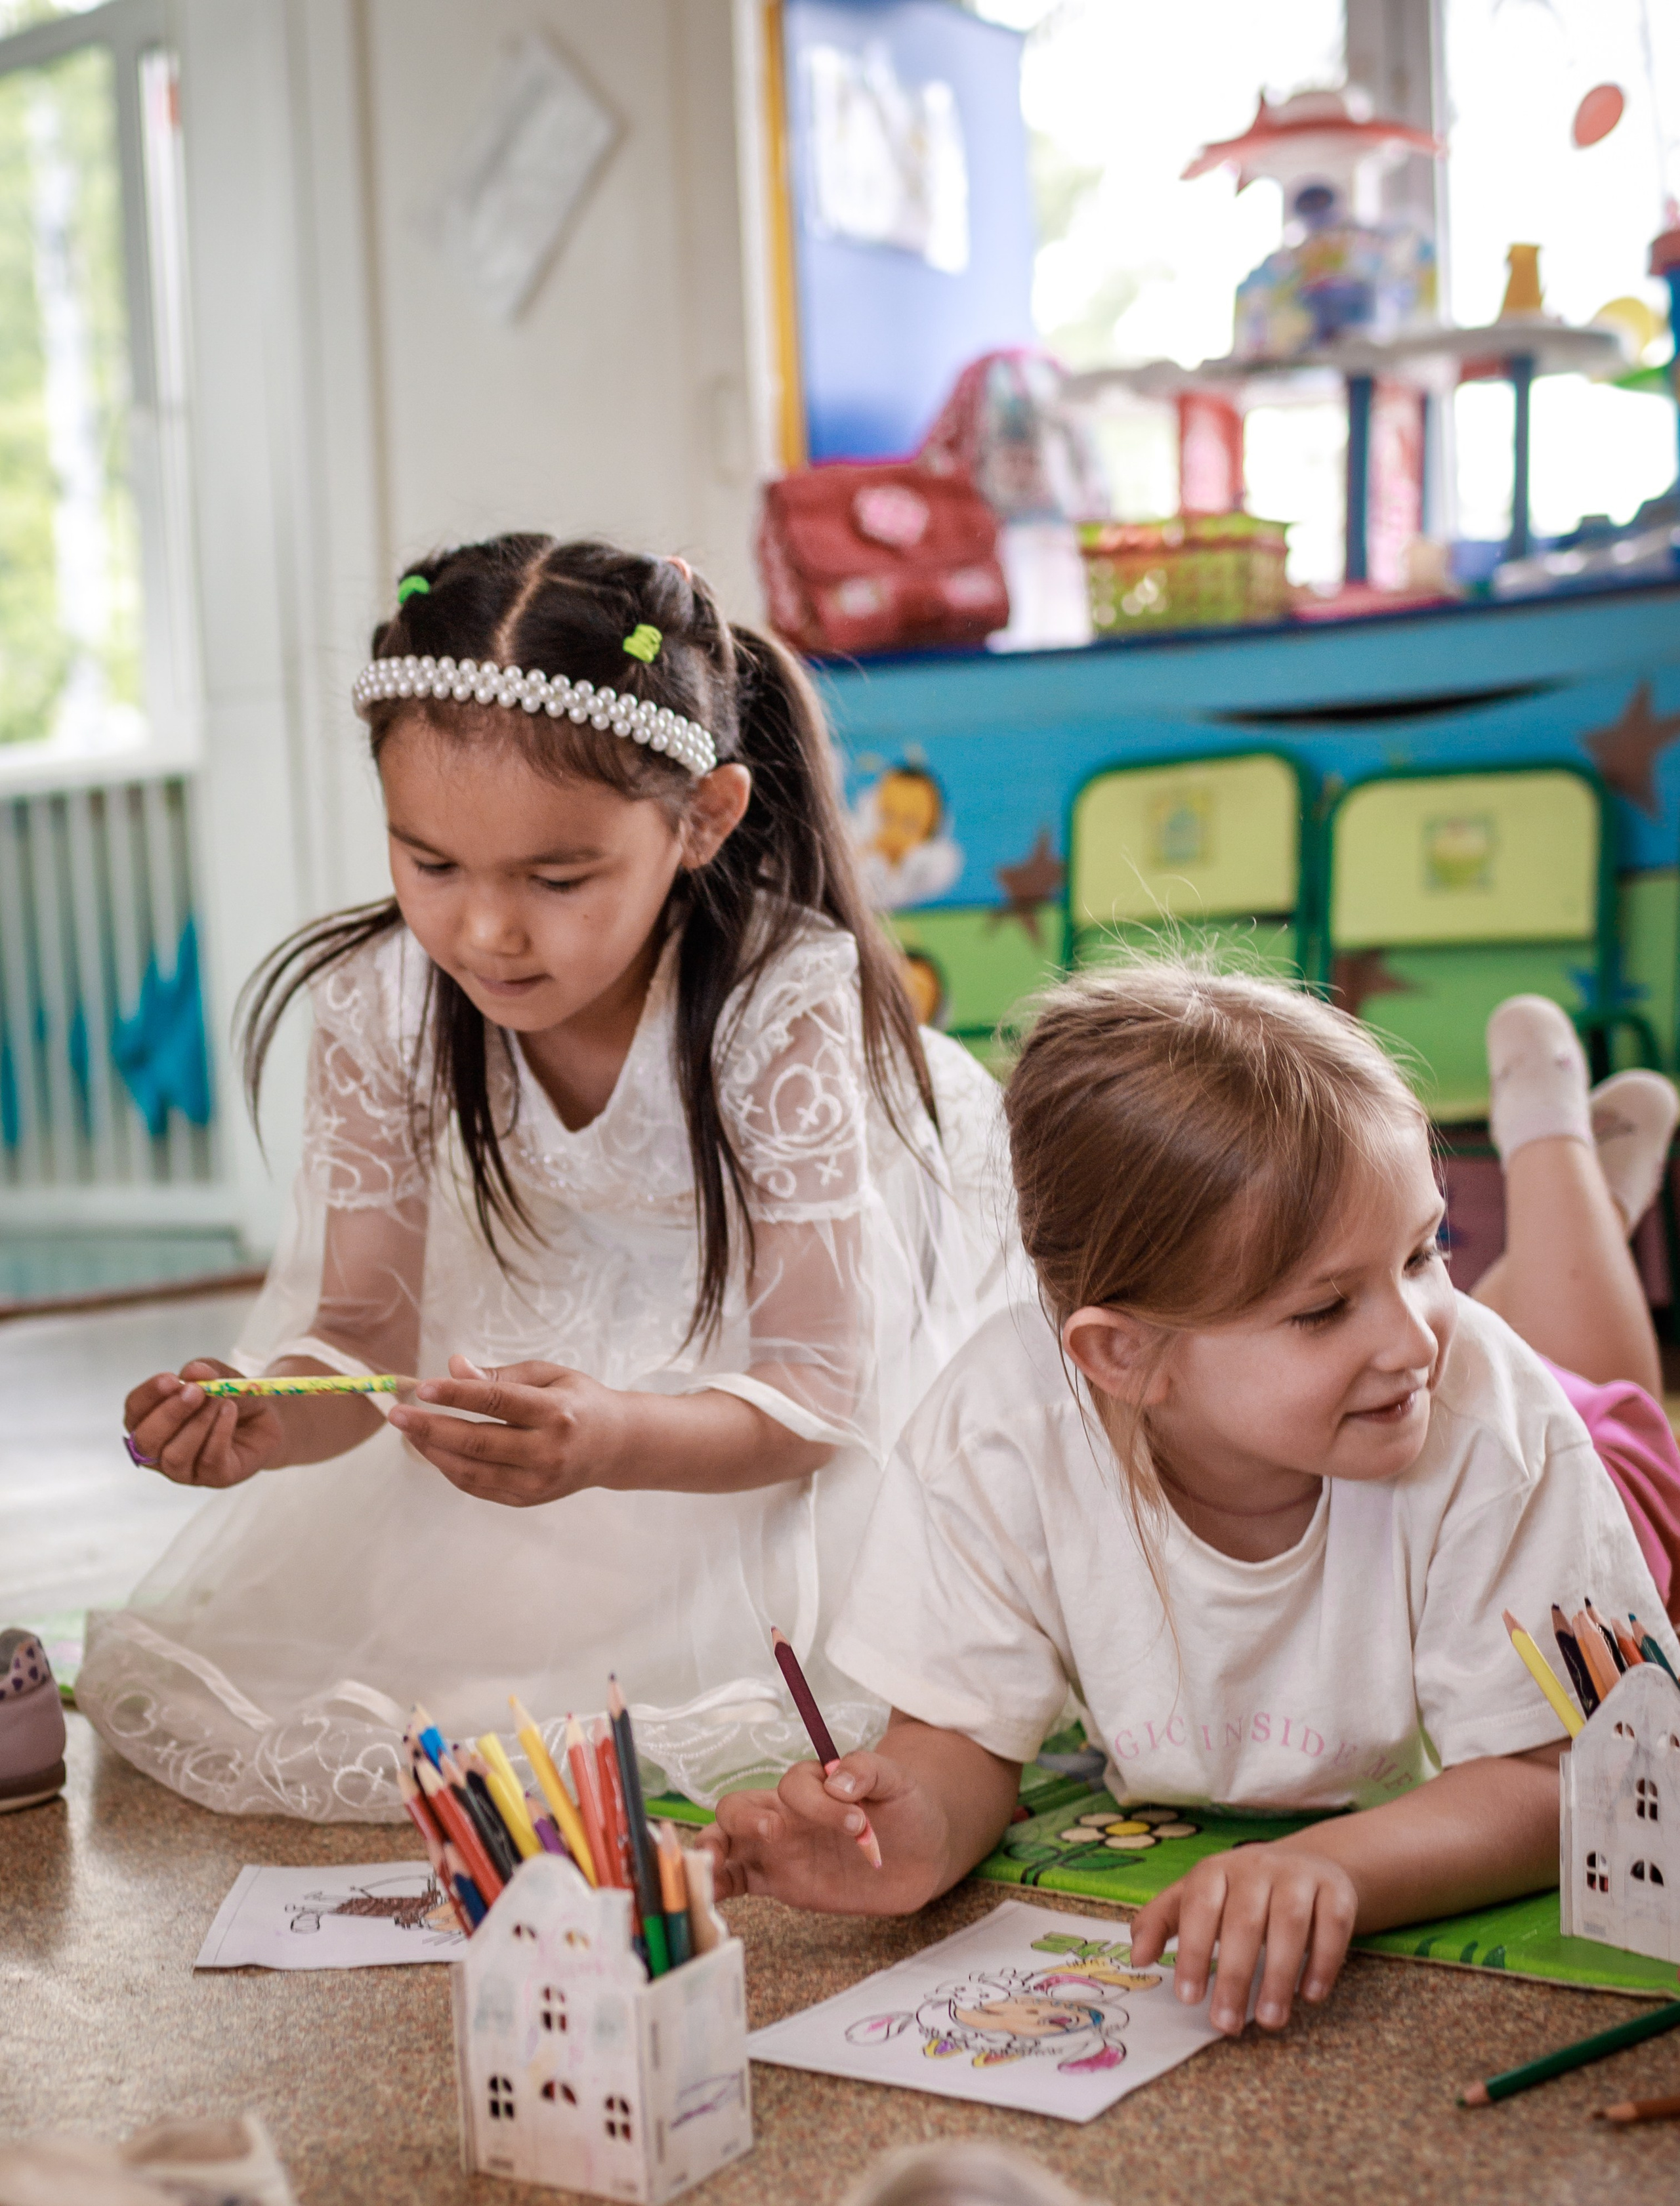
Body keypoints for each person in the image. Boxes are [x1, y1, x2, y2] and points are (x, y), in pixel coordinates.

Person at [79, 537, 1011, 1819]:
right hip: (580, 1308)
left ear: (702, 819)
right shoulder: (386, 1008)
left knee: (862, 1635)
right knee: (453, 1642)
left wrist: (618, 1435)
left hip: (832, 1310)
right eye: (432, 865)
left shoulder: (777, 1007)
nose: (484, 931)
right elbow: (357, 1339)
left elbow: (821, 1391)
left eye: (556, 879)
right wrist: (272, 1417)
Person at [701, 963, 1679, 2039]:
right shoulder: (996, 1431)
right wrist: (913, 1836)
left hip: (1586, 1482)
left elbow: (1561, 1776)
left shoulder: (1489, 1412)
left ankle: (1561, 1145)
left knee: (1586, 1363)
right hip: (1393, 1432)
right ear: (1124, 1354)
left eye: (1425, 1248)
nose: (1408, 1331)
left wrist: (1327, 1863)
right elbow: (958, 1740)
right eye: (1323, 1307)